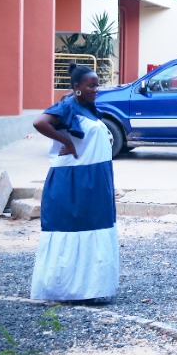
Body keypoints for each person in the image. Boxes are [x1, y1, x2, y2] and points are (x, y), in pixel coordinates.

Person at [30, 62, 119, 302]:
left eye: (97, 85)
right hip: (75, 179)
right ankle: (64, 288)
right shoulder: (67, 106)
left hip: (95, 178)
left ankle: (91, 288)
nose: (96, 90)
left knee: (93, 225)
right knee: (72, 228)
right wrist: (67, 142)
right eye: (91, 86)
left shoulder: (87, 107)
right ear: (77, 87)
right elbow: (39, 122)